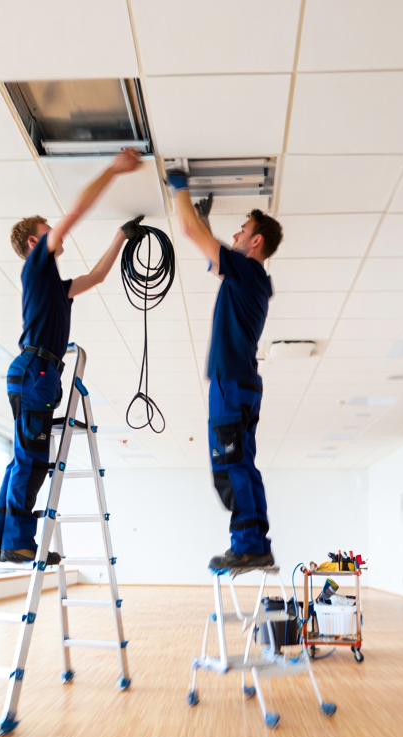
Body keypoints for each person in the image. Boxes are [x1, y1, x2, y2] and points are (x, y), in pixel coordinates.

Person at [0, 148, 143, 565]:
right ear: (35, 241)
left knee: (24, 457)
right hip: (36, 371)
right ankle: (18, 542)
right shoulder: (36, 264)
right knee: (33, 463)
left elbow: (99, 276)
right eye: (49, 230)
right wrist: (113, 169)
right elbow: (77, 211)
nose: (59, 233)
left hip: (36, 372)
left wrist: (122, 236)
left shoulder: (55, 285)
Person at [166, 170, 283, 570]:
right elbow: (215, 262)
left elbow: (187, 230)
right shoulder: (247, 278)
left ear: (257, 241)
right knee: (238, 465)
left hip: (233, 383)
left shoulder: (249, 272)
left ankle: (249, 544)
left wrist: (179, 187)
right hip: (236, 383)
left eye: (242, 230)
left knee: (230, 465)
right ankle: (253, 541)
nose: (236, 235)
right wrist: (206, 225)